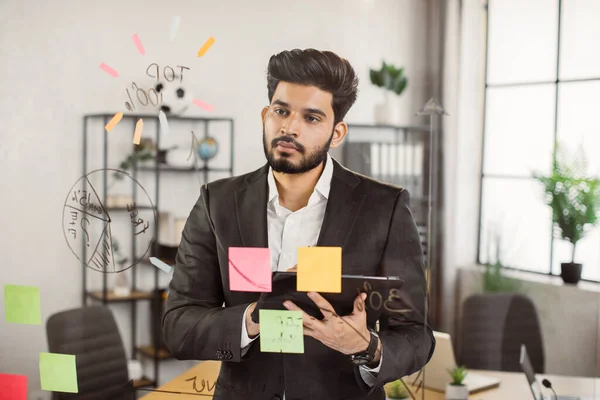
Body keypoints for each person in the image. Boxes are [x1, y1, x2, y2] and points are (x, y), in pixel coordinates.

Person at [162, 48, 435, 400]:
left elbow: (416, 335)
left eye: (311, 118)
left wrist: (367, 347)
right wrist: (251, 318)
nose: (289, 127)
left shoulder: (384, 207)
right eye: (281, 111)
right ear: (265, 115)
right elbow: (178, 325)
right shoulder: (218, 203)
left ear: (337, 133)